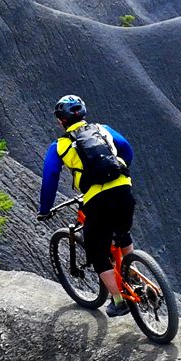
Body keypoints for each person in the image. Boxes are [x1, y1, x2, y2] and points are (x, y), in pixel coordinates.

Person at [37, 95, 136, 317]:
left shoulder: (60, 146)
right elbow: (127, 150)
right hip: (123, 189)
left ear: (61, 121)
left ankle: (119, 301)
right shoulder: (103, 129)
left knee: (97, 251)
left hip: (97, 199)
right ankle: (136, 275)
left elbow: (50, 178)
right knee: (122, 232)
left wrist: (45, 209)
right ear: (83, 113)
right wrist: (114, 171)